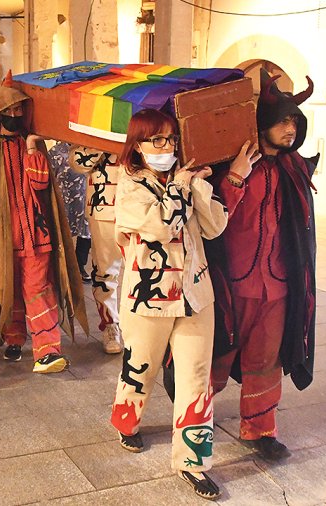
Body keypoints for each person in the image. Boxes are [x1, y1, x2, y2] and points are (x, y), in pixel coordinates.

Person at [110, 108, 228, 499]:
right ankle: (127, 423)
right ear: (138, 145)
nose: (166, 147)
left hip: (195, 296)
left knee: (196, 379)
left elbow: (216, 225)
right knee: (140, 368)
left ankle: (192, 462)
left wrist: (196, 187)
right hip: (148, 299)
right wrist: (178, 185)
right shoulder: (127, 184)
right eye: (156, 140)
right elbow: (162, 226)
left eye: (171, 139)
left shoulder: (185, 179)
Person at [207, 69, 318, 461]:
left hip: (278, 286)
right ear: (263, 123)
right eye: (283, 120)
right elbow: (212, 218)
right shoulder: (228, 165)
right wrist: (234, 177)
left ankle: (260, 429)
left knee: (266, 360)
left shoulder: (295, 170)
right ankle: (195, 417)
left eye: (295, 122)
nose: (291, 128)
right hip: (231, 284)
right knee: (215, 354)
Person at [0, 73, 87, 374]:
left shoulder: (34, 145)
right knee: (8, 288)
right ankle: (13, 339)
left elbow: (40, 185)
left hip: (36, 234)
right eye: (9, 110)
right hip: (0, 236)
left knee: (40, 289)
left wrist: (30, 149)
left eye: (19, 110)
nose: (15, 115)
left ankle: (47, 351)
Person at [67, 146, 125, 354]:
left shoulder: (147, 117)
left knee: (144, 273)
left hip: (143, 205)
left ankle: (143, 331)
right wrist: (99, 145)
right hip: (103, 207)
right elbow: (76, 162)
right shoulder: (94, 122)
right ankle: (111, 325)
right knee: (104, 272)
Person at [48, 142, 91, 283]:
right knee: (61, 231)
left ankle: (80, 265)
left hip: (85, 198)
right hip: (65, 199)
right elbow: (50, 176)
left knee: (85, 233)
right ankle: (61, 265)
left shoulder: (90, 149)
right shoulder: (57, 151)